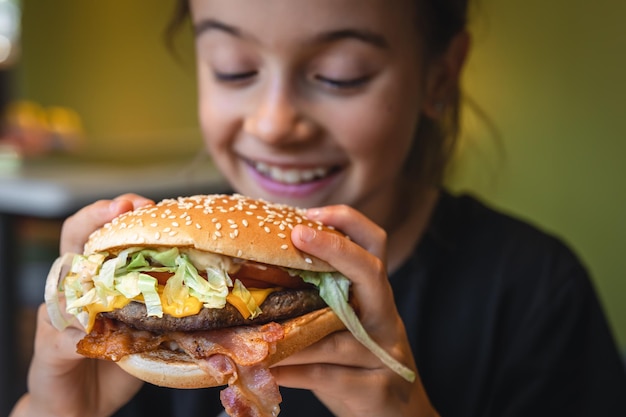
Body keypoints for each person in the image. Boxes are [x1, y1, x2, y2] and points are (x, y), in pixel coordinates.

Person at [10, 0, 626, 416]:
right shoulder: (130, 335)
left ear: (440, 77)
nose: (274, 124)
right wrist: (59, 408)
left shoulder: (534, 291)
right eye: (235, 68)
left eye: (339, 74)